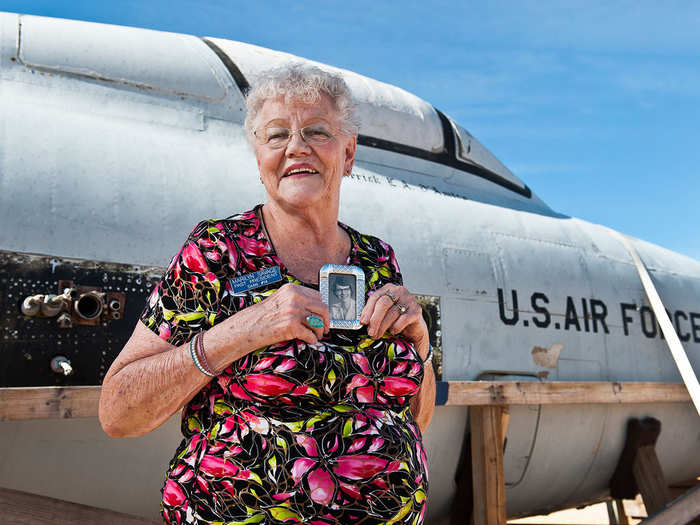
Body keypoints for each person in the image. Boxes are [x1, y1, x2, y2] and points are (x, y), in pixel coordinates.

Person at [99, 64, 436, 525]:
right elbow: (118, 412)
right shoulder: (217, 251)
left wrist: (421, 344)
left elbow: (411, 416)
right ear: (260, 158)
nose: (296, 146)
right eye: (276, 135)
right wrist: (243, 331)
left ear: (350, 153)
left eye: (317, 131)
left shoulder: (377, 259)